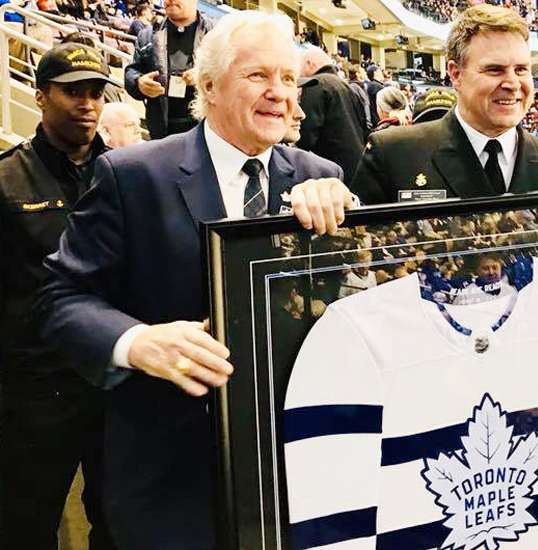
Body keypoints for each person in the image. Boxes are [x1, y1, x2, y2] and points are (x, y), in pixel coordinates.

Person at [38, 11, 355, 549]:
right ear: (208, 85)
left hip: (294, 466)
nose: (279, 93)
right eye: (258, 76)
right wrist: (136, 342)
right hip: (172, 472)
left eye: (287, 78)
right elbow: (61, 298)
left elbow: (365, 291)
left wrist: (350, 224)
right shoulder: (134, 174)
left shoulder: (319, 176)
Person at [0, 42, 117, 550]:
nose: (87, 104)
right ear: (41, 95)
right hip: (35, 385)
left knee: (117, 519)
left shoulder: (128, 175)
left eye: (95, 93)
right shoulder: (5, 179)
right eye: (72, 92)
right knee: (26, 519)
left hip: (114, 378)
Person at [351, 4, 538, 204]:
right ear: (456, 74)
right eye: (494, 69)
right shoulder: (393, 154)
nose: (513, 83)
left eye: (521, 69)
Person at [124, 0, 215, 139]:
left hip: (207, 130)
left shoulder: (216, 35)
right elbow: (132, 70)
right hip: (161, 131)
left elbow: (233, 75)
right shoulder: (146, 35)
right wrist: (138, 83)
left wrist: (205, 76)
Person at [296, 46, 367, 182]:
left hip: (330, 169)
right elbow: (365, 126)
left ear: (309, 64)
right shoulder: (348, 86)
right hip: (357, 165)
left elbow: (307, 134)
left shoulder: (314, 84)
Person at [346, 62, 371, 133]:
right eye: (363, 71)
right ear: (357, 74)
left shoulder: (361, 87)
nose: (365, 73)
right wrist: (367, 124)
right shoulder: (354, 88)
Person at [365, 63, 384, 127]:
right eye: (380, 71)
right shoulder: (376, 86)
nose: (382, 73)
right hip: (377, 121)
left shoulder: (370, 85)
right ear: (375, 73)